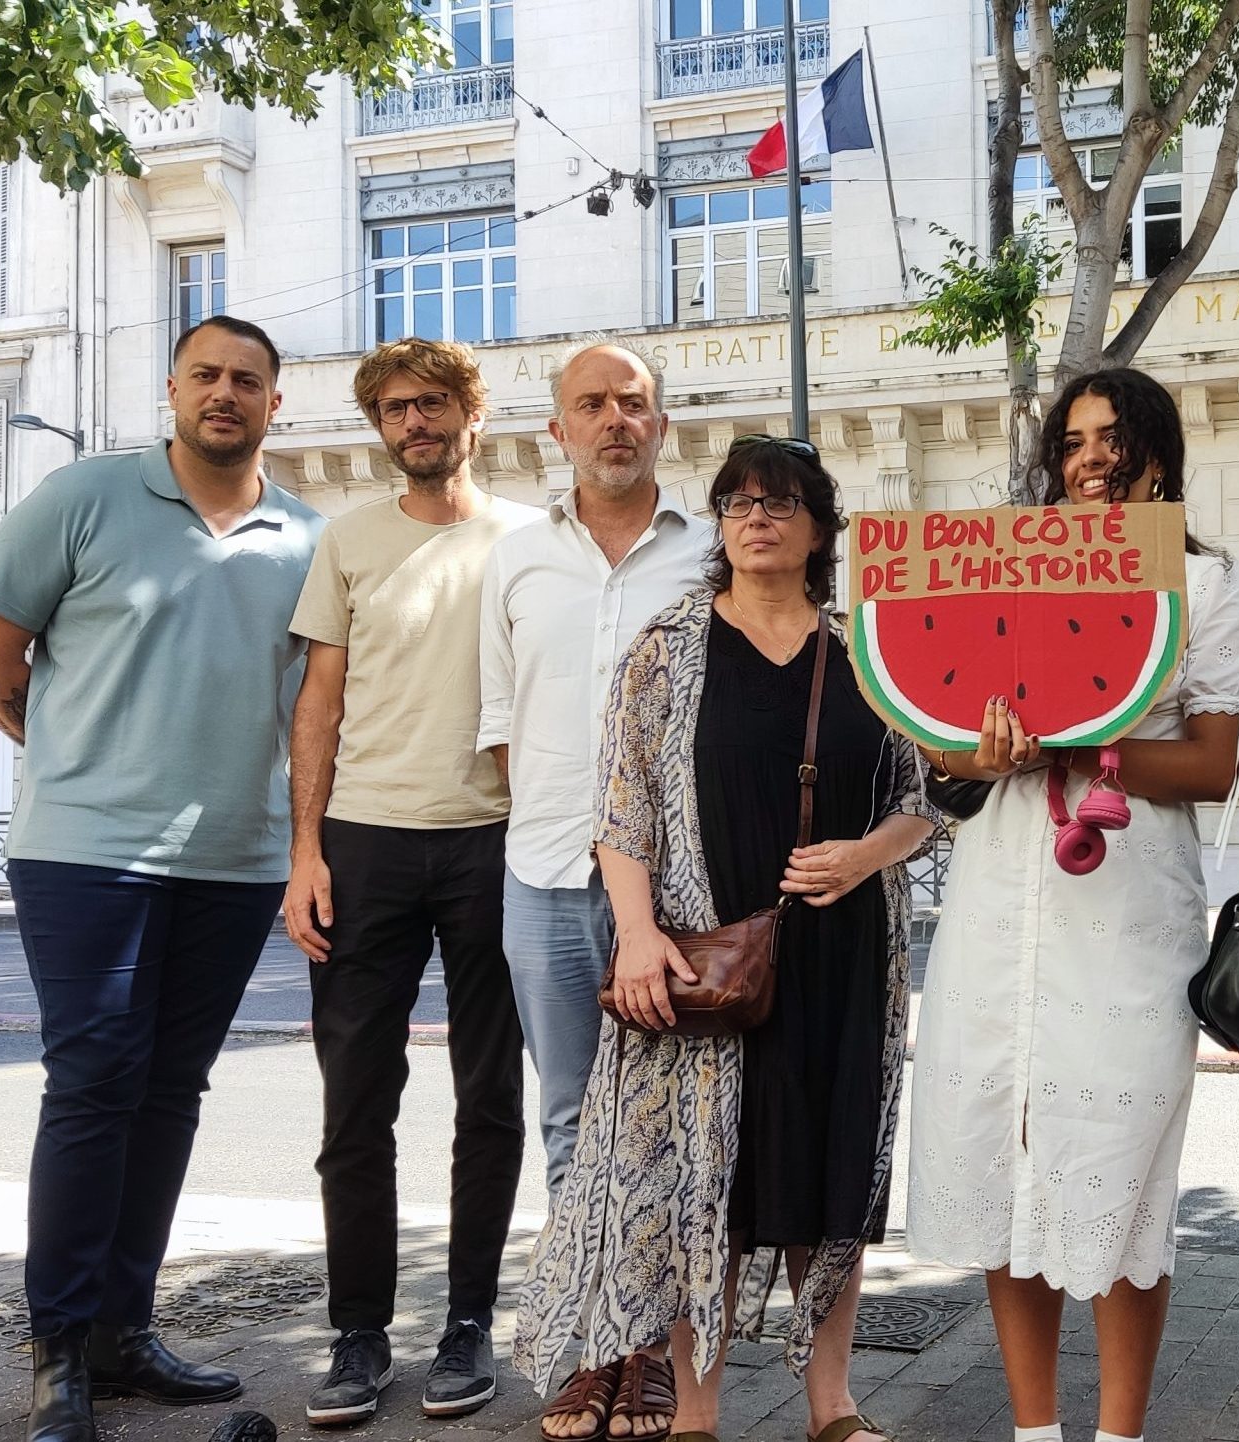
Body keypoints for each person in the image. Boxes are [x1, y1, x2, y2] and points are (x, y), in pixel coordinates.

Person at [512, 437, 939, 1442]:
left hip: (841, 953)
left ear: (819, 529)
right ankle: (697, 1414)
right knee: (705, 1180)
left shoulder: (868, 650)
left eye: (781, 503)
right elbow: (622, 810)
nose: (757, 518)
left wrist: (864, 856)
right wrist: (635, 936)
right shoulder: (667, 646)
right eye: (739, 502)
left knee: (830, 1174)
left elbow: (919, 800)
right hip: (704, 954)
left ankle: (832, 1407)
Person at [0, 316, 321, 1442]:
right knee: (94, 1082)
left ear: (273, 403)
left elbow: (311, 706)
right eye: (205, 374)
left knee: (170, 1091)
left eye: (246, 380)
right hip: (85, 852)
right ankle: (59, 1349)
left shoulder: (307, 537)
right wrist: (62, 744)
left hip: (235, 859)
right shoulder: (84, 497)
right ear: (172, 388)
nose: (224, 393)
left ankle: (123, 1332)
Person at [904, 367, 1239, 1442]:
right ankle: (1033, 1432)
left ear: (1158, 456)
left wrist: (1080, 742)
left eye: (1113, 437)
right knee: (1006, 1164)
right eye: (1072, 440)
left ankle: (1118, 1434)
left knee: (1123, 1174)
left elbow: (1213, 763)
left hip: (1128, 911)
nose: (1090, 458)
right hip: (998, 903)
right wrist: (980, 749)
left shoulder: (1204, 583)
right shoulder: (1001, 570)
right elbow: (941, 742)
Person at [284, 339, 542, 1426]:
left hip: (496, 842)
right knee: (355, 1104)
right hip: (364, 844)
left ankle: (469, 1324)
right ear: (380, 426)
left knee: (490, 1098)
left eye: (433, 403)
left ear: (472, 415)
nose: (414, 423)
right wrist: (304, 852)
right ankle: (358, 1335)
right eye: (395, 409)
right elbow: (319, 700)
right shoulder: (348, 538)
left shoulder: (529, 537)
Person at [480, 343, 717, 1206]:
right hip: (546, 877)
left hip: (684, 881)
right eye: (591, 405)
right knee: (572, 1116)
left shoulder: (714, 555)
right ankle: (581, 1291)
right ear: (559, 430)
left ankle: (668, 1297)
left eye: (632, 402)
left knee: (685, 1116)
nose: (614, 420)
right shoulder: (515, 559)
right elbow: (499, 718)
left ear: (661, 425)